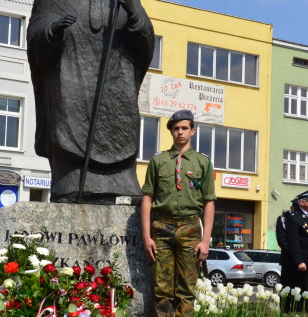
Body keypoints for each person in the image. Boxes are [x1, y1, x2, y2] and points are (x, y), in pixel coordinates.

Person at [27, 0, 155, 203]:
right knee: (69, 130)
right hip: (70, 87)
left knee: (120, 132)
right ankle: (70, 182)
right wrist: (52, 32)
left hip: (117, 90)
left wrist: (133, 12)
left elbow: (146, 44)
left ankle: (122, 182)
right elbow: (36, 37)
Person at [140, 109, 216, 316]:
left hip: (190, 228)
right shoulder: (158, 161)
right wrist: (147, 237)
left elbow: (209, 201)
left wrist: (206, 240)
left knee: (186, 289)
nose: (180, 132)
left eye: (184, 128)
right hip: (161, 228)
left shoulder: (203, 162)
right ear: (171, 132)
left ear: (193, 131)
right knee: (162, 289)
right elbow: (147, 197)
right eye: (176, 128)